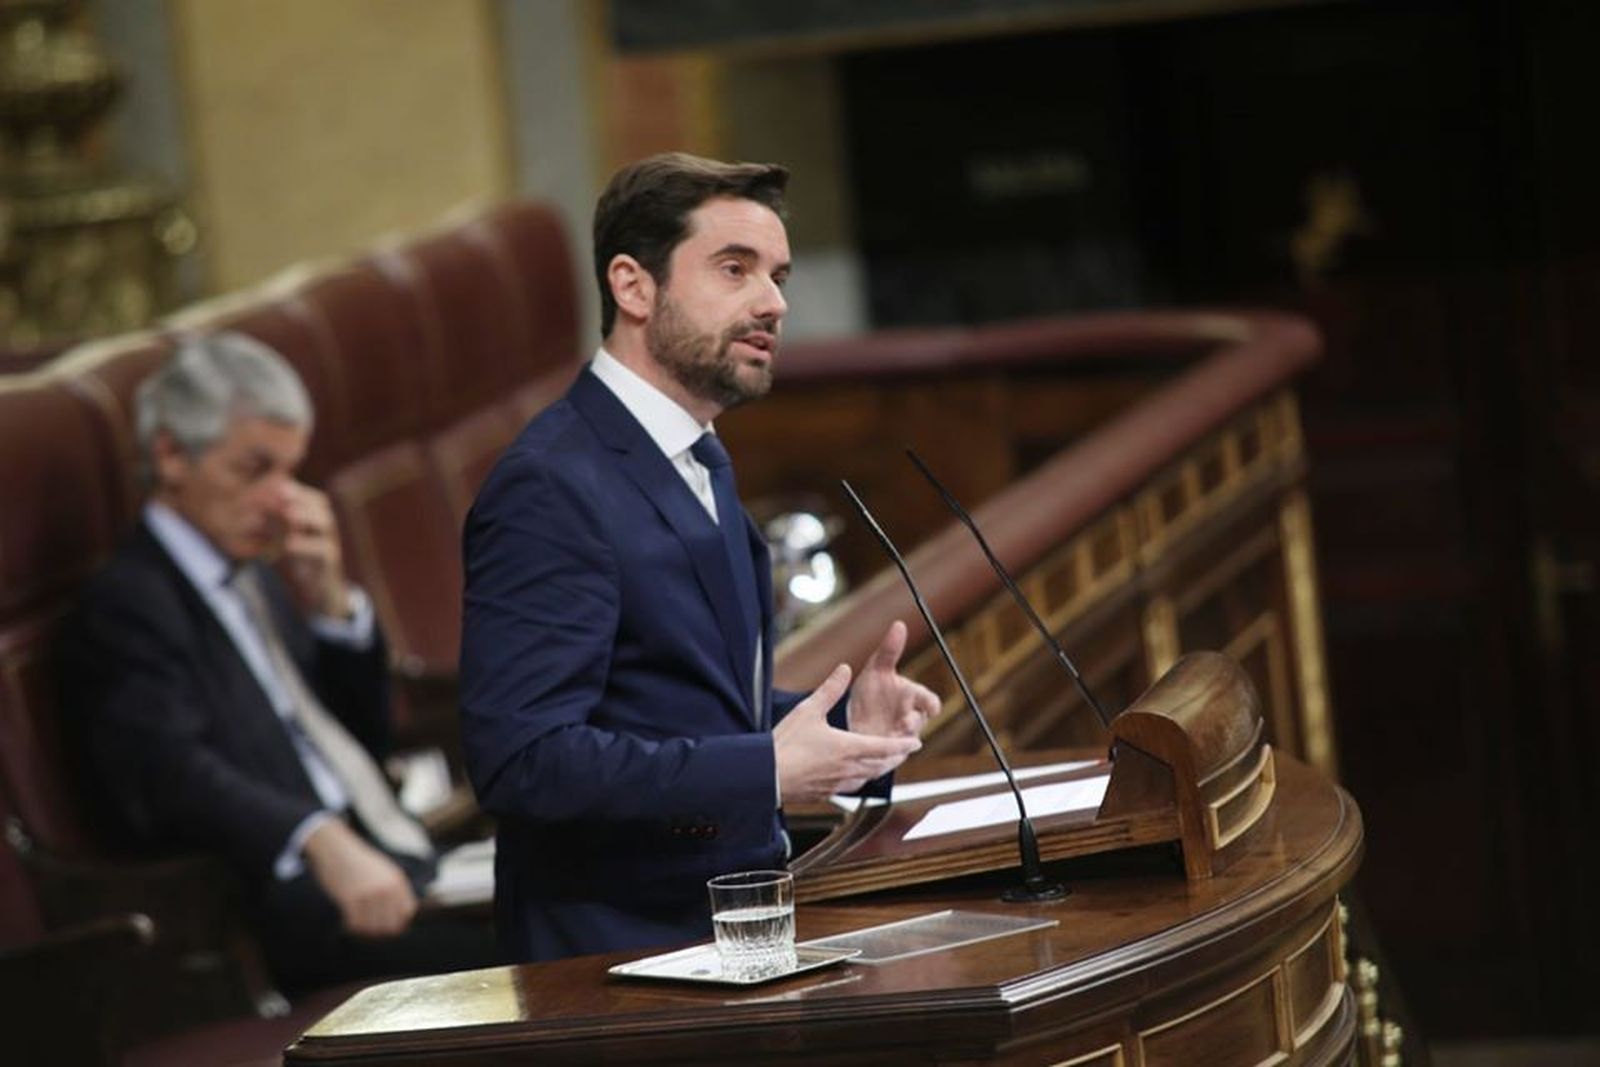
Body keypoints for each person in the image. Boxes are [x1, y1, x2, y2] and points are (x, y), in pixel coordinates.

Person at [461, 152, 941, 963]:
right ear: (633, 286)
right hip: (616, 965)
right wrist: (764, 772)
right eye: (734, 269)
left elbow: (677, 701)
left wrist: (842, 728)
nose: (773, 302)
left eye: (778, 276)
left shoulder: (696, 458)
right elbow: (524, 759)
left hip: (722, 937)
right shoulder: (552, 483)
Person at [60, 333, 499, 993]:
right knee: (540, 938)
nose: (282, 501)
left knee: (582, 895)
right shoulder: (127, 602)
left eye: (290, 473)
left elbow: (363, 741)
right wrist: (315, 835)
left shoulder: (257, 575)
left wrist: (331, 604)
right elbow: (169, 771)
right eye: (254, 470)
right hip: (281, 903)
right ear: (171, 455)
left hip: (390, 849)